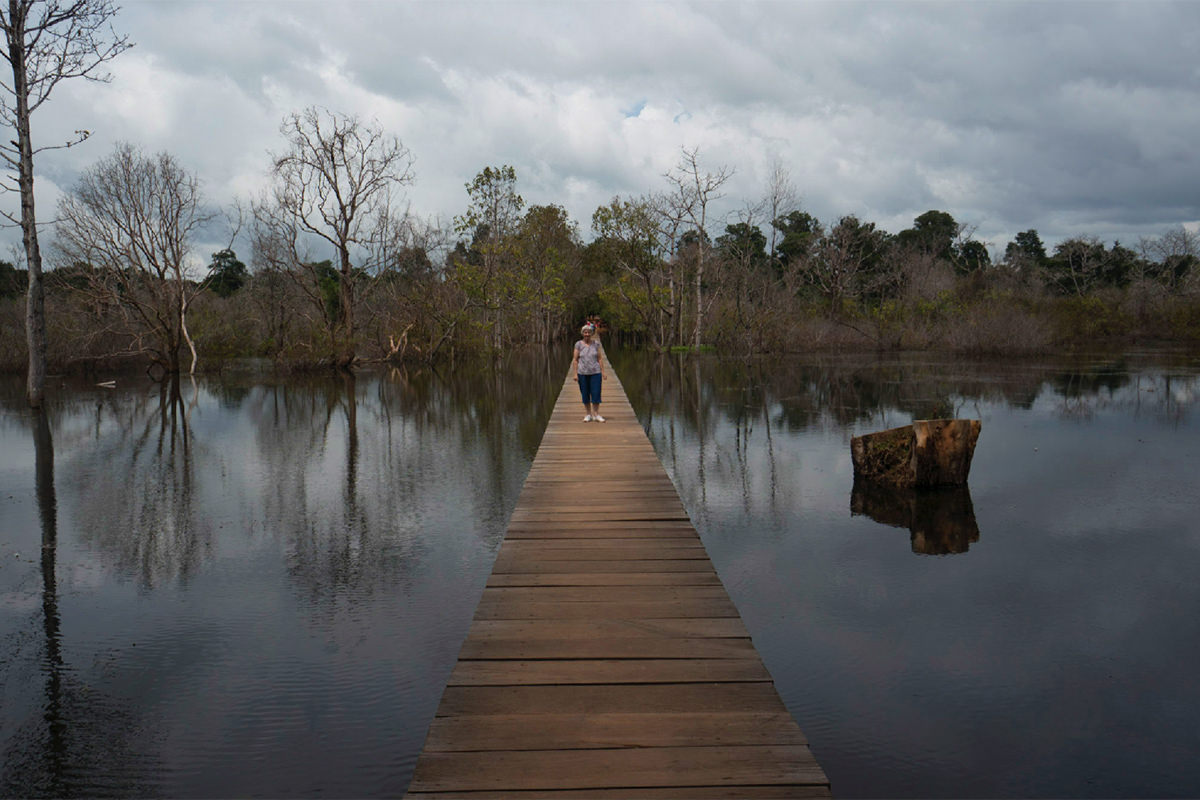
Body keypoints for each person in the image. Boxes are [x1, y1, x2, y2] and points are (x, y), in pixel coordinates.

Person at [571, 322, 606, 422]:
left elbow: (600, 359)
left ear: (591, 334)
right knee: (585, 394)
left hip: (595, 372)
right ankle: (588, 414)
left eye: (589, 332)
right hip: (582, 373)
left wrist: (603, 372)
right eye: (585, 332)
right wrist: (575, 373)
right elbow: (575, 359)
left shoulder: (596, 344)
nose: (587, 334)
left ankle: (596, 414)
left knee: (596, 393)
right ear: (582, 333)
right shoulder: (578, 344)